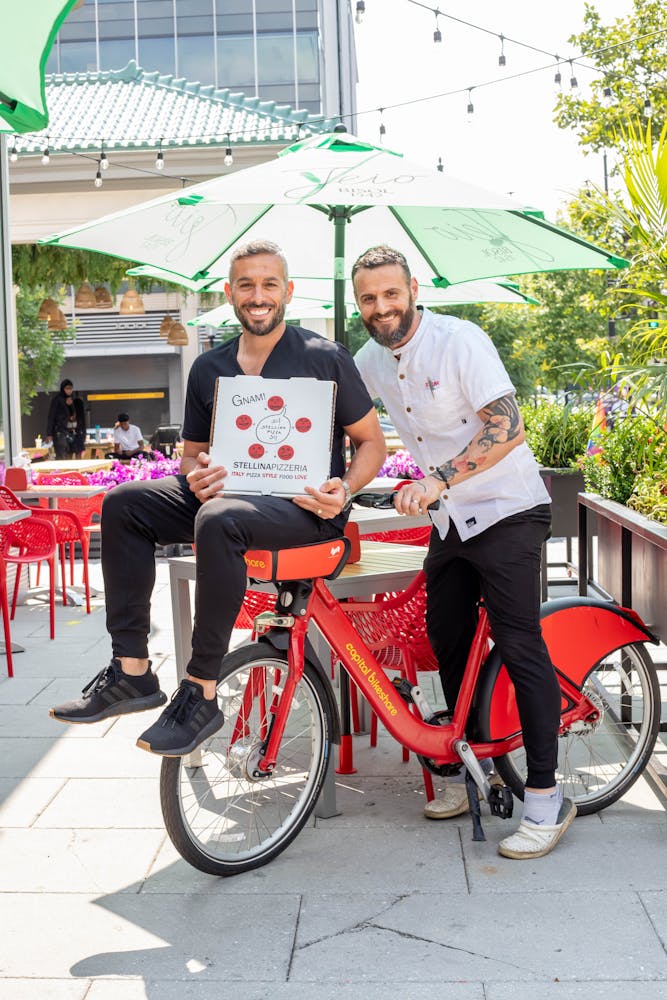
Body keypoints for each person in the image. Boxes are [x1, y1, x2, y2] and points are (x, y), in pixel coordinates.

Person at [50, 240, 386, 758]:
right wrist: (197, 473)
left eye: (269, 284)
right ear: (230, 293)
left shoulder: (325, 357)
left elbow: (372, 443)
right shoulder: (209, 368)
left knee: (219, 517)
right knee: (124, 504)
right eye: (246, 285)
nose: (258, 295)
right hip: (229, 501)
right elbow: (192, 458)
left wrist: (346, 487)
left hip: (306, 512)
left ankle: (201, 690)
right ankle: (133, 673)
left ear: (288, 292)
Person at [351, 245, 574, 861]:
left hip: (506, 508)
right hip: (450, 518)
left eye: (391, 294)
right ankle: (460, 771)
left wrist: (438, 479)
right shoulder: (370, 360)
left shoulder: (460, 340)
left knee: (518, 640)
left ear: (413, 288)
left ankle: (546, 799)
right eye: (368, 298)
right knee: (444, 637)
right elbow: (345, 421)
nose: (381, 307)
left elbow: (507, 425)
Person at [45, 379, 86, 459]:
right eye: (67, 388)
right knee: (61, 451)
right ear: (63, 388)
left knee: (67, 450)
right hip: (58, 429)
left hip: (66, 430)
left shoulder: (70, 399)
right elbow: (51, 416)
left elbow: (71, 415)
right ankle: (61, 470)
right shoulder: (57, 399)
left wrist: (70, 405)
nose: (69, 390)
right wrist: (49, 433)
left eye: (71, 388)